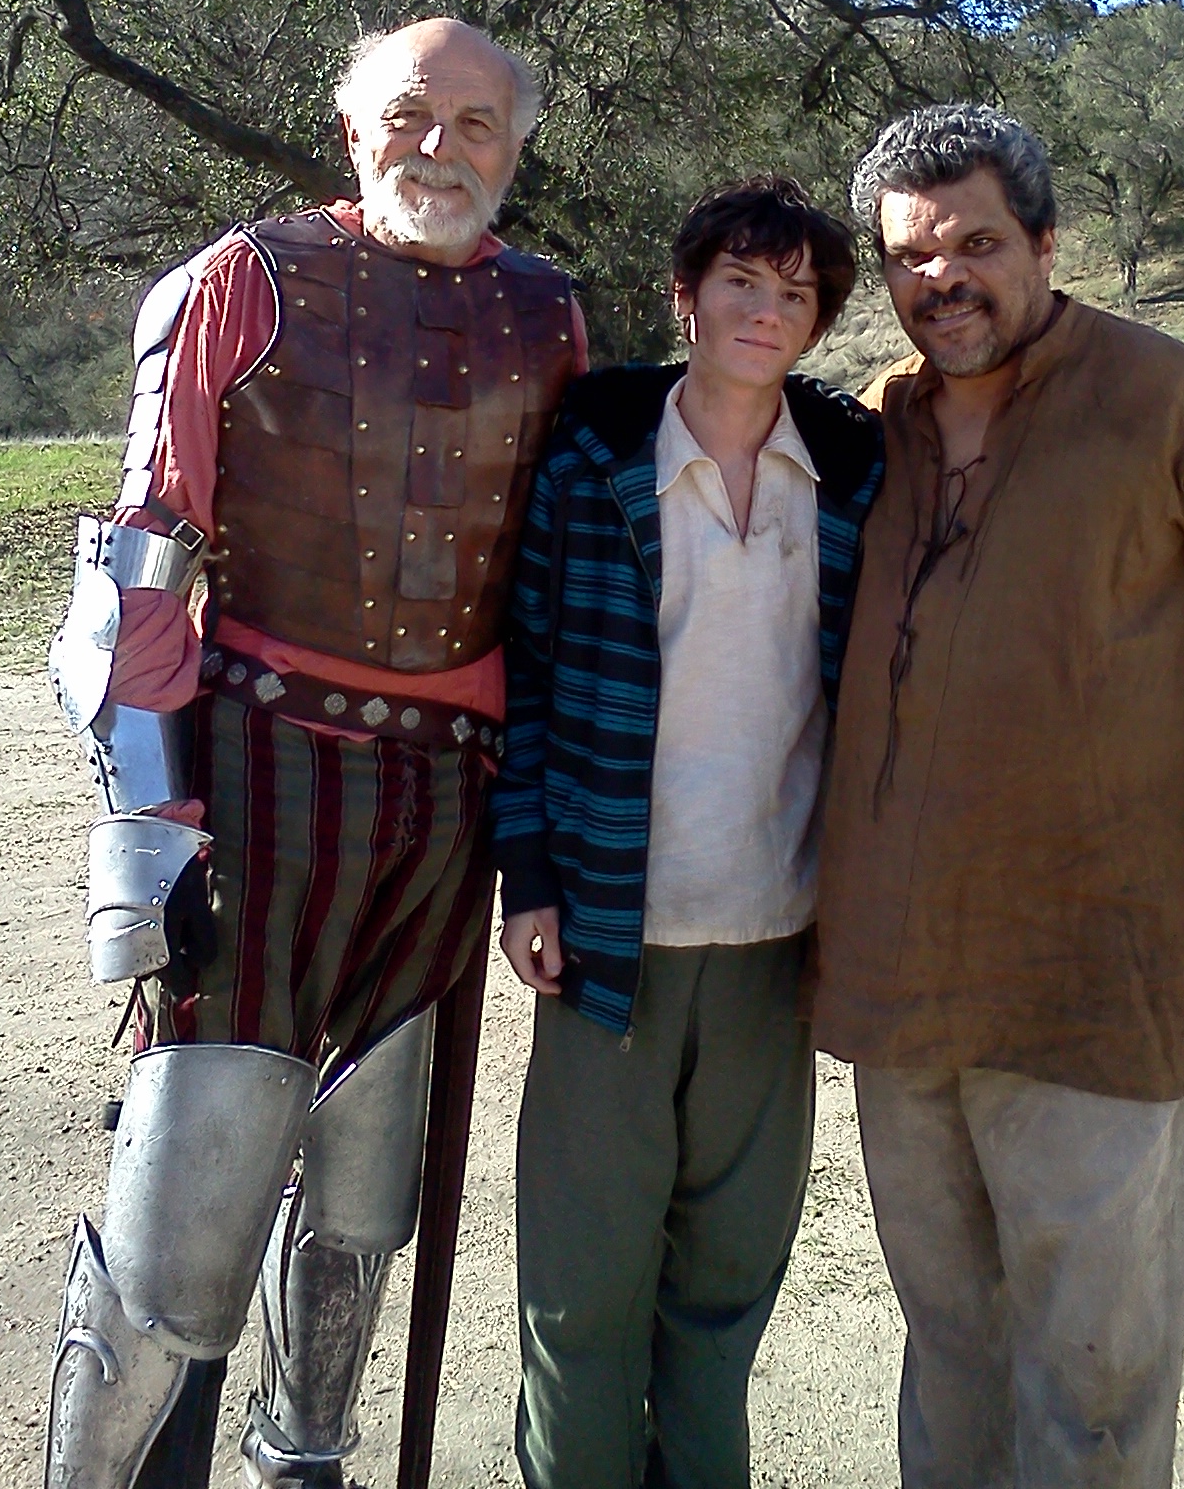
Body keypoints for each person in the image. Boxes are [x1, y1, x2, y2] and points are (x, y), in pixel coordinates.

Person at [43, 17, 585, 1489]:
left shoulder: (554, 319)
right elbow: (140, 568)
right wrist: (151, 847)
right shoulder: (244, 280)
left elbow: (554, 582)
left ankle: (308, 1462)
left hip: (444, 802)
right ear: (353, 127)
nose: (443, 148)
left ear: (516, 150)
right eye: (412, 114)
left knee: (364, 1184)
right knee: (193, 1172)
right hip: (264, 766)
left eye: (478, 124)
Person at [812, 104, 1184, 1489]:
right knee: (949, 1343)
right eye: (911, 257)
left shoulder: (1161, 397)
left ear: (1048, 244)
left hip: (1096, 963)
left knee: (1096, 1370)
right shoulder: (874, 426)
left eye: (978, 245)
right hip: (898, 978)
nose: (944, 279)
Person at [492, 178, 884, 1489]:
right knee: (583, 1290)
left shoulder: (847, 477)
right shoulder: (594, 457)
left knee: (724, 1290)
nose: (766, 313)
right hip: (613, 933)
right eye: (741, 284)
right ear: (686, 294)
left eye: (796, 295)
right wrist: (529, 877)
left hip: (777, 938)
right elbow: (526, 678)